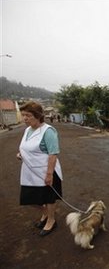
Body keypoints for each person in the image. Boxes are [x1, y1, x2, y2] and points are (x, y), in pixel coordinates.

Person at [17, 101, 63, 237]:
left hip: (46, 171)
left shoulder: (48, 131)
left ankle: (51, 220)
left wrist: (49, 174)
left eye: (28, 115)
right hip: (30, 172)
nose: (25, 118)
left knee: (49, 198)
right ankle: (45, 213)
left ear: (37, 115)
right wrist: (21, 154)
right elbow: (27, 147)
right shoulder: (27, 130)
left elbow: (53, 154)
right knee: (29, 198)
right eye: (23, 115)